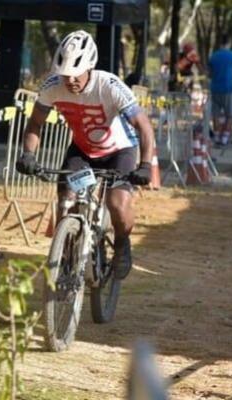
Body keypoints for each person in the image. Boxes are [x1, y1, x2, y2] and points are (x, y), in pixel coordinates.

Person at [15, 30, 156, 280]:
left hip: (119, 150)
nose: (69, 81)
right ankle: (67, 256)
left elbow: (144, 126)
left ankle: (122, 246)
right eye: (64, 75)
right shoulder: (52, 86)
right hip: (82, 150)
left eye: (74, 74)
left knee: (116, 203)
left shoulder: (109, 85)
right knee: (65, 201)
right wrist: (28, 154)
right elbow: (35, 123)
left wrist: (145, 165)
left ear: (90, 65)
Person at [207, 35, 232, 146]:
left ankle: (217, 137)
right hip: (228, 89)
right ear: (229, 43)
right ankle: (225, 137)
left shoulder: (213, 56)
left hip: (215, 88)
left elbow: (209, 73)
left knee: (216, 115)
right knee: (231, 114)